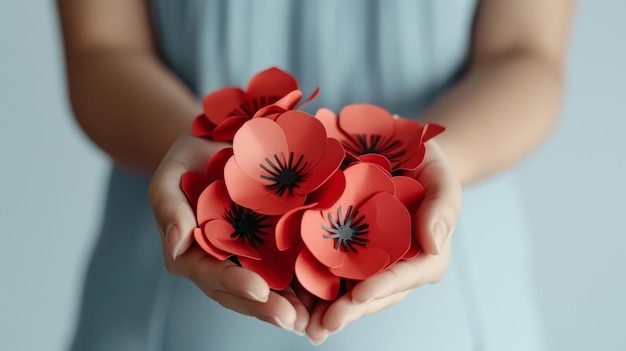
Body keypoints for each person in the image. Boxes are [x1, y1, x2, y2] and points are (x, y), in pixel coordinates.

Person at [57, 0, 573, 349]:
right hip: (177, 253)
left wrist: (432, 159)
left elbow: (526, 54)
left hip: (445, 276)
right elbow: (101, 49)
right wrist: (208, 159)